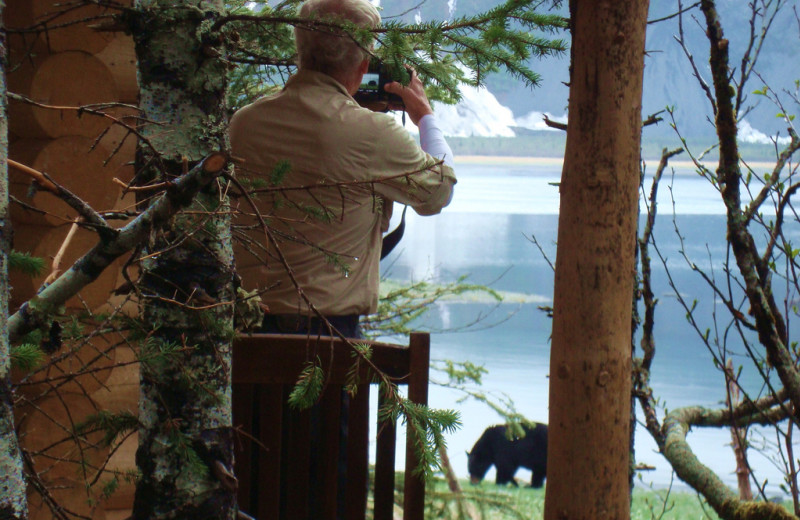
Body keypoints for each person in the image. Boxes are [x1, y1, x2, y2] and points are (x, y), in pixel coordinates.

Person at [230, 0, 456, 339]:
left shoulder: (243, 122)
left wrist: (350, 104)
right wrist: (424, 116)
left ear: (299, 50)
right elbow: (439, 191)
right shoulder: (372, 133)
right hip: (329, 341)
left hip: (245, 337)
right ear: (364, 65)